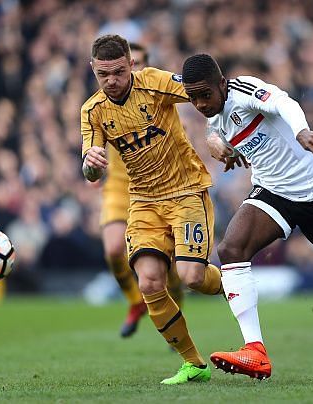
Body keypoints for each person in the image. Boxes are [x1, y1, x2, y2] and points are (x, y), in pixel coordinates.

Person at [181, 54, 313, 380]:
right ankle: (255, 350)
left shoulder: (245, 90)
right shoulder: (214, 113)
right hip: (274, 193)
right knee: (231, 249)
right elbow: (217, 126)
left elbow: (283, 103)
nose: (200, 103)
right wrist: (217, 143)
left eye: (205, 94)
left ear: (222, 84)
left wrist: (302, 131)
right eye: (193, 98)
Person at [81, 35, 224, 385]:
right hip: (143, 200)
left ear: (131, 64)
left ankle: (236, 283)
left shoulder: (156, 82)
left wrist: (215, 132)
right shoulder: (92, 110)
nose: (111, 81)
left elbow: (206, 96)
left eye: (117, 72)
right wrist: (91, 164)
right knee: (149, 281)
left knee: (191, 277)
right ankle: (193, 363)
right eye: (103, 74)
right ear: (93, 70)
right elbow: (89, 168)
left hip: (186, 191)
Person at [97, 42, 184, 338]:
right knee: (112, 249)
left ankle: (175, 313)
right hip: (120, 186)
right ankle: (136, 302)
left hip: (160, 186)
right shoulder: (103, 102)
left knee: (170, 265)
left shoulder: (156, 92)